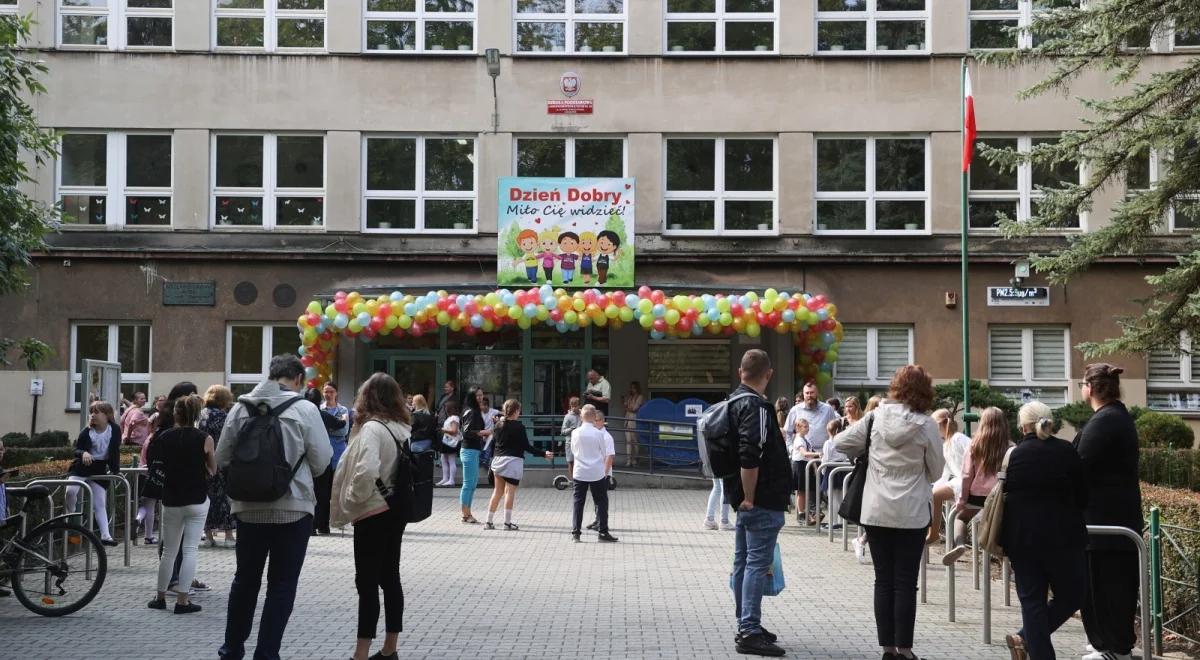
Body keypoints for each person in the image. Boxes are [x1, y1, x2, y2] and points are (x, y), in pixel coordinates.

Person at [216, 354, 332, 660]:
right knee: (281, 585)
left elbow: (221, 457)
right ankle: (267, 654)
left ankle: (231, 649)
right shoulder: (305, 409)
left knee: (245, 580)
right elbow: (321, 462)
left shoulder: (240, 408)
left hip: (247, 508)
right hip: (293, 509)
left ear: (272, 374)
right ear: (297, 379)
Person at [834, 365, 944, 660]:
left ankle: (887, 649)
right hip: (912, 512)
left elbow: (839, 442)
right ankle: (906, 650)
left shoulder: (874, 417)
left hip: (876, 509)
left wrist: (866, 454)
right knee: (906, 582)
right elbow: (936, 470)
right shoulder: (927, 424)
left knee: (883, 579)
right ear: (925, 390)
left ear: (895, 387)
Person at [331, 373, 412, 660]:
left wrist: (353, 501)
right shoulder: (401, 427)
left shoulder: (372, 429)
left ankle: (360, 653)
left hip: (372, 511)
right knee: (390, 577)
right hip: (395, 510)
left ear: (367, 396)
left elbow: (366, 470)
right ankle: (390, 648)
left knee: (366, 583)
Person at [1001, 401, 1088, 660]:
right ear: (1051, 422)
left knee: (1032, 603)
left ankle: (1029, 641)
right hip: (1065, 539)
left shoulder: (1013, 455)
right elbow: (1083, 497)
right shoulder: (1067, 451)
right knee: (1073, 595)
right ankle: (1025, 638)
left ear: (1022, 425)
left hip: (1023, 540)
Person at [724, 349, 790, 658]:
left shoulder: (733, 403)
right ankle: (749, 630)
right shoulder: (756, 407)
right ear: (769, 374)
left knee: (742, 562)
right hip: (760, 499)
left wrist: (742, 497)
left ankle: (746, 623)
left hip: (743, 499)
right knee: (755, 564)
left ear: (740, 372)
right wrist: (750, 496)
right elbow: (751, 453)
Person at [1075, 363, 1142, 660]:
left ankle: (1113, 647)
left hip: (1107, 524)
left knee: (1107, 587)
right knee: (1105, 585)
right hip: (1110, 522)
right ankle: (1108, 644)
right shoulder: (1113, 417)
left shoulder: (1106, 421)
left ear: (1089, 388)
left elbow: (1079, 464)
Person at [147, 394, 216, 614]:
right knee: (190, 550)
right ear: (196, 414)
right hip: (196, 499)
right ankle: (182, 601)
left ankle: (159, 598)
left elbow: (157, 465)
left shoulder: (164, 437)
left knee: (169, 550)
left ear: (176, 413)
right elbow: (212, 469)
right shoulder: (205, 438)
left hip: (171, 499)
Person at [942, 407, 1011, 565]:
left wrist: (962, 499)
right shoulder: (1010, 446)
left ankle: (959, 544)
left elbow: (966, 475)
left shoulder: (974, 446)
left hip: (976, 496)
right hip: (999, 496)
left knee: (961, 517)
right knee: (999, 524)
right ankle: (1006, 561)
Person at [485, 399, 553, 530]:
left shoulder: (498, 425)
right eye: (519, 410)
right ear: (516, 411)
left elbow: (494, 442)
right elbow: (526, 446)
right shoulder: (519, 427)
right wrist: (543, 453)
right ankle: (507, 523)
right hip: (513, 462)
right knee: (509, 492)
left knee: (497, 491)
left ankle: (488, 522)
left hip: (498, 460)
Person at [66, 400, 123, 546]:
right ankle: (70, 514)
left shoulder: (114, 429)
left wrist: (116, 470)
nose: (92, 415)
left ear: (107, 415)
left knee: (100, 502)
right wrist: (84, 452)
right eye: (91, 412)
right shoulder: (87, 432)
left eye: (96, 412)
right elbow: (76, 450)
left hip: (99, 467)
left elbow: (115, 451)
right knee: (71, 491)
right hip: (83, 467)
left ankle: (106, 535)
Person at [569, 404, 618, 542]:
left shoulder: (575, 432)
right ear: (593, 417)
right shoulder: (598, 433)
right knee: (601, 501)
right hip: (596, 472)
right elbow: (603, 451)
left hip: (580, 472)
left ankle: (576, 533)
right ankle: (603, 532)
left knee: (578, 502)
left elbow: (573, 450)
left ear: (581, 417)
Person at [927, 408, 972, 546]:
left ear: (942, 424)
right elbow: (944, 474)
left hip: (967, 481)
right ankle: (935, 534)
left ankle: (933, 534)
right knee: (932, 493)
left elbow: (974, 457)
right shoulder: (946, 444)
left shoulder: (958, 438)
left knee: (935, 495)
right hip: (960, 481)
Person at [306, 387, 348, 536]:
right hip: (323, 457)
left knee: (308, 492)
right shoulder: (322, 415)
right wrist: (344, 419)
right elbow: (341, 426)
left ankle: (310, 526)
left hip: (306, 459)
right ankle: (323, 525)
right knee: (323, 493)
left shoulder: (302, 415)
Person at [200, 385, 237, 548]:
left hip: (203, 463)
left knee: (206, 497)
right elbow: (230, 439)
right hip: (222, 462)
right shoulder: (224, 416)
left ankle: (208, 536)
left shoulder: (200, 415)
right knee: (224, 499)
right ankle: (229, 536)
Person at [458, 387, 492, 524]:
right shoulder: (471, 412)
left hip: (472, 450)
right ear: (472, 396)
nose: (480, 397)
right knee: (468, 484)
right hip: (469, 451)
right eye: (477, 395)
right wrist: (484, 433)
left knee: (472, 484)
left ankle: (467, 513)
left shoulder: (472, 410)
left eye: (481, 395)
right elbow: (467, 433)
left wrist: (482, 435)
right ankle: (466, 514)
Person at [783, 381, 839, 461]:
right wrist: (791, 449)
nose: (809, 395)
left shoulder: (827, 409)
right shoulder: (795, 410)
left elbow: (835, 431)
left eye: (812, 393)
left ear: (817, 393)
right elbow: (787, 433)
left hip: (823, 456)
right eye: (807, 393)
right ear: (803, 394)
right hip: (802, 458)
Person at [789, 419, 820, 527]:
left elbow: (809, 456)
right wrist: (818, 454)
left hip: (807, 465)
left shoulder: (806, 439)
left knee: (807, 491)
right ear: (798, 428)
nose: (807, 428)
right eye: (804, 427)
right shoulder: (799, 440)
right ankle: (802, 513)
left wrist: (815, 468)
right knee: (802, 491)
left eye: (807, 426)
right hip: (800, 466)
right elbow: (805, 453)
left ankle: (809, 514)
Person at [436, 401, 461, 488]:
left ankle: (451, 480)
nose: (445, 410)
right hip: (447, 441)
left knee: (451, 460)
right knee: (443, 459)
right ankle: (445, 478)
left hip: (451, 441)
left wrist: (443, 430)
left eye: (446, 408)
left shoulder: (454, 418)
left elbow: (454, 431)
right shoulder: (450, 417)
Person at [622, 381, 645, 466]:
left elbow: (635, 409)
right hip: (627, 420)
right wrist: (626, 402)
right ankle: (628, 460)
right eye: (631, 387)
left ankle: (635, 459)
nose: (632, 389)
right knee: (628, 441)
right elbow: (625, 407)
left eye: (633, 388)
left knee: (634, 440)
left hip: (634, 420)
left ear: (637, 388)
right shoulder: (630, 397)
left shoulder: (640, 397)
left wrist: (627, 407)